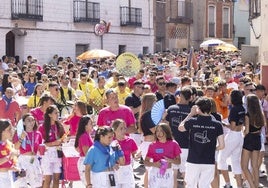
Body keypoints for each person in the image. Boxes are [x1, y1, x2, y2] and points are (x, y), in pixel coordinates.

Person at [178, 97, 224, 188]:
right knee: (205, 185)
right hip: (209, 160)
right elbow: (222, 145)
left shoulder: (192, 121)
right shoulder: (217, 124)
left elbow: (180, 127)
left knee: (190, 185)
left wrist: (190, 114)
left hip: (193, 160)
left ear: (198, 109)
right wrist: (212, 148)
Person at [217, 90, 246, 188]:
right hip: (240, 135)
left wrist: (223, 124)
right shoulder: (242, 108)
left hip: (233, 135)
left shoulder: (234, 109)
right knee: (235, 161)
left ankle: (228, 184)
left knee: (221, 159)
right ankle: (239, 185)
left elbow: (232, 126)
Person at [165, 86, 192, 183]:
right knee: (186, 175)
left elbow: (166, 126)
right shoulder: (191, 112)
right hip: (186, 145)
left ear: (179, 96)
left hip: (171, 145)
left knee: (172, 173)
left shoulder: (171, 109)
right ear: (190, 98)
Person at [38, 105, 67, 188]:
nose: (57, 115)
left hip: (57, 153)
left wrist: (63, 140)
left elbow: (63, 137)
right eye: (55, 113)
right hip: (47, 154)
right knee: (48, 178)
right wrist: (53, 143)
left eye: (58, 113)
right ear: (49, 115)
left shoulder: (59, 126)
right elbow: (41, 144)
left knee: (57, 178)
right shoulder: (42, 127)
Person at [144, 123, 181, 188]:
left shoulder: (174, 144)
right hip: (155, 173)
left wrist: (170, 160)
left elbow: (178, 161)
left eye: (161, 131)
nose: (159, 133)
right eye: (157, 131)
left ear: (167, 132)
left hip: (168, 173)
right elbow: (146, 162)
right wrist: (154, 164)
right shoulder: (152, 145)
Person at [241, 94, 265, 188]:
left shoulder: (248, 115)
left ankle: (252, 185)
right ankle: (256, 184)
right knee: (255, 166)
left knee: (244, 166)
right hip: (257, 139)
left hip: (249, 139)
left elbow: (246, 131)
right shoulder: (261, 114)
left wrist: (243, 132)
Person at [13, 113, 43, 188]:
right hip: (23, 160)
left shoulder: (38, 134)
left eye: (33, 120)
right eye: (28, 120)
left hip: (34, 159)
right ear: (23, 123)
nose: (31, 122)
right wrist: (21, 138)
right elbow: (16, 148)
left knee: (37, 184)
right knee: (22, 184)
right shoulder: (19, 133)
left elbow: (40, 147)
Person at [112, 119, 139, 188]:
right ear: (114, 130)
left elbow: (134, 154)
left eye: (125, 128)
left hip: (127, 170)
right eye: (121, 128)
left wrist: (136, 156)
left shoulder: (130, 141)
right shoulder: (110, 141)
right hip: (114, 170)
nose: (124, 130)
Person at [139, 93, 157, 188]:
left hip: (151, 143)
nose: (156, 102)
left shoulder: (149, 114)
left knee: (151, 170)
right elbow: (155, 130)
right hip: (149, 144)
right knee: (150, 170)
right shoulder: (147, 115)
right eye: (155, 100)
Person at [74, 115, 94, 186]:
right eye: (90, 123)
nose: (92, 125)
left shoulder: (87, 135)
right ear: (85, 126)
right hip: (86, 162)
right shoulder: (84, 136)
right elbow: (86, 152)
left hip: (88, 161)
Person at [0, 119, 20, 187]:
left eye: (12, 129)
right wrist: (9, 157)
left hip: (8, 176)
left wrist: (13, 168)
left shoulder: (9, 144)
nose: (12, 131)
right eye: (9, 129)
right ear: (2, 131)